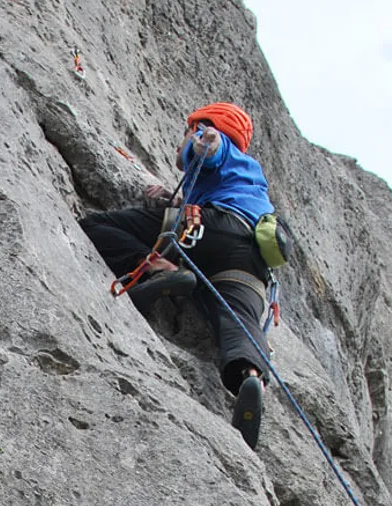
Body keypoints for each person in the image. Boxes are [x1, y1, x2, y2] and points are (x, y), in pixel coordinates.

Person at [79, 102, 273, 450]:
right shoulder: (252, 177)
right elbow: (226, 197)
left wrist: (202, 142)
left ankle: (155, 267)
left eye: (187, 129)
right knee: (238, 319)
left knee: (95, 227)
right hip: (252, 262)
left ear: (204, 125)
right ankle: (250, 375)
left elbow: (209, 149)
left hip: (208, 230)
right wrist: (175, 198)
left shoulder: (216, 140)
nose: (181, 140)